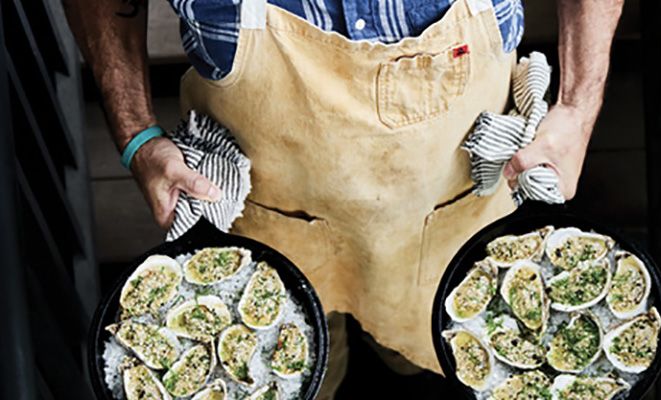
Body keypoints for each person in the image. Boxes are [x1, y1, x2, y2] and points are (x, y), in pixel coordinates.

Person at [64, 0, 623, 397]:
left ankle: (406, 368)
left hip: (447, 209)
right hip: (264, 213)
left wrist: (577, 106)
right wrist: (137, 134)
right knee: (296, 364)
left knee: (424, 357)